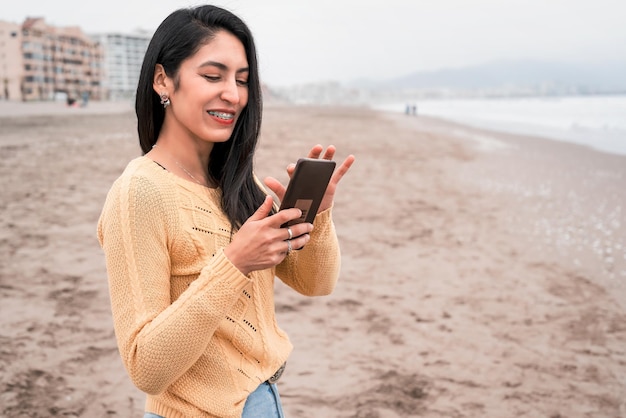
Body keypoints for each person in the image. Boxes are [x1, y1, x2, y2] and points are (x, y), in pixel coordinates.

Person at [96, 5, 354, 418]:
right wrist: (235, 262)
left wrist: (317, 218)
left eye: (243, 80)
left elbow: (316, 283)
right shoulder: (139, 192)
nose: (232, 94)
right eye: (212, 76)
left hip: (265, 400)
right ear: (163, 79)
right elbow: (145, 366)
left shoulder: (236, 186)